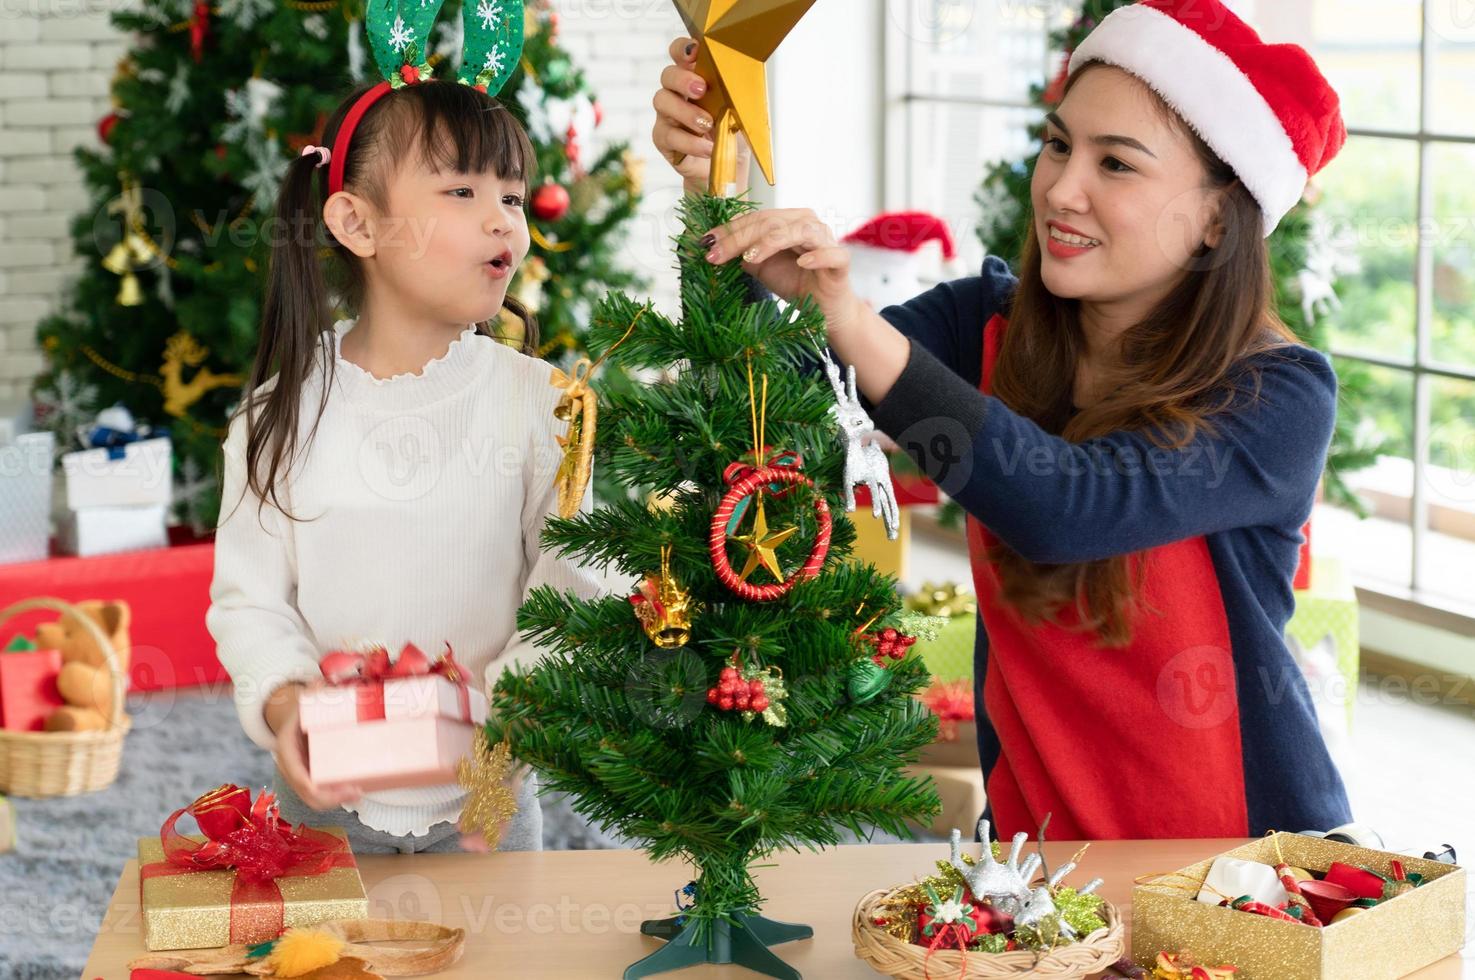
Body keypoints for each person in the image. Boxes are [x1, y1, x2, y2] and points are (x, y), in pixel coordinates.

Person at [651, 0, 1354, 839]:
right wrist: (709, 197)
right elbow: (754, 409)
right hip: (1032, 877)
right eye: (1057, 145)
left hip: (1240, 877)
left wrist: (849, 318)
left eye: (1116, 164)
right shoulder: (978, 324)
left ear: (1214, 216)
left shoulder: (1276, 394)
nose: (1061, 189)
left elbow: (1065, 508)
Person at [207, 75, 601, 854]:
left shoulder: (546, 406)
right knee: (334, 971)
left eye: (515, 198)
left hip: (488, 791)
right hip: (322, 800)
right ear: (357, 222)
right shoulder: (272, 419)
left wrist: (506, 742)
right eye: (461, 190)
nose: (503, 222)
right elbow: (250, 604)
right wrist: (287, 710)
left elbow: (572, 591)